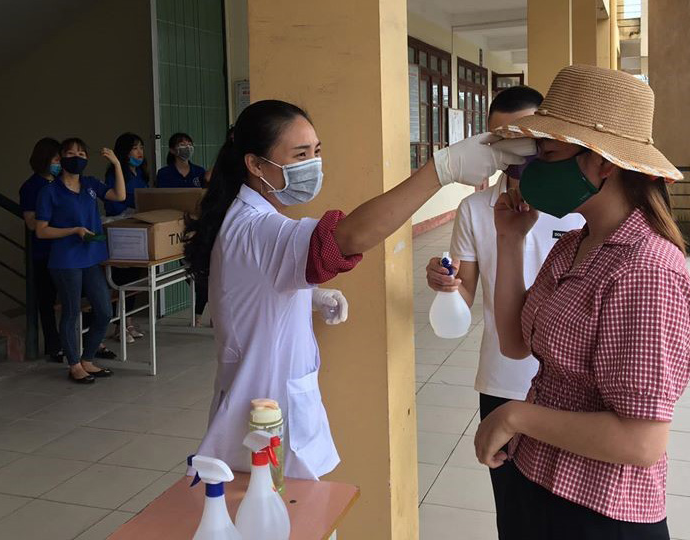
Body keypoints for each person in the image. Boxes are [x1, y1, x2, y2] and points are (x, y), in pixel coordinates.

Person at [184, 99, 534, 479]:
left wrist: (308, 296)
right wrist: (440, 170)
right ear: (255, 164)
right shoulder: (256, 228)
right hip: (264, 416)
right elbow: (347, 238)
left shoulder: (249, 217)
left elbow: (248, 291)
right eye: (300, 154)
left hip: (259, 406)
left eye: (317, 152)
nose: (313, 164)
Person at [473, 65, 690, 539]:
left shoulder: (645, 271)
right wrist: (509, 242)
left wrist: (515, 414)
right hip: (539, 479)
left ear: (604, 163)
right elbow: (516, 343)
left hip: (598, 510)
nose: (534, 168)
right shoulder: (575, 242)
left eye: (550, 153)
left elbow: (640, 441)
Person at [424, 85, 585, 538]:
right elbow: (466, 293)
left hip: (567, 385)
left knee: (568, 514)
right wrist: (446, 283)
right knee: (516, 515)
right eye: (502, 141)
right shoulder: (475, 209)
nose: (515, 154)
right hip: (503, 381)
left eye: (526, 139)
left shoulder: (580, 207)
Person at [35, 137, 126, 384]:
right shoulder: (50, 191)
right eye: (71, 153)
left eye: (82, 154)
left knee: (104, 311)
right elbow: (41, 230)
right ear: (61, 157)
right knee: (71, 312)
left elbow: (119, 195)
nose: (77, 158)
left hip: (91, 257)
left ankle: (87, 359)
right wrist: (73, 230)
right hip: (65, 260)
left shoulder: (90, 184)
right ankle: (74, 364)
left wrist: (116, 164)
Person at [156, 132, 211, 326]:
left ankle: (198, 314)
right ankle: (200, 310)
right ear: (172, 149)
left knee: (204, 271)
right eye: (181, 144)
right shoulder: (164, 174)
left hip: (197, 227)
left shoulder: (198, 172)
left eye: (189, 143)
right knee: (191, 272)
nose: (186, 147)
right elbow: (162, 200)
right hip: (173, 228)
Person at [19, 137, 63, 363]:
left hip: (64, 250)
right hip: (43, 252)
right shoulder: (31, 187)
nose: (59, 162)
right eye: (56, 158)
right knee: (46, 301)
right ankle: (53, 345)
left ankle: (68, 341)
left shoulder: (59, 182)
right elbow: (30, 222)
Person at [104, 132, 149, 343]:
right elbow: (114, 205)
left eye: (141, 147)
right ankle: (118, 324)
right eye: (134, 148)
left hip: (139, 230)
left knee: (134, 280)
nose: (139, 152)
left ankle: (128, 321)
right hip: (122, 231)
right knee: (120, 281)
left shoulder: (141, 174)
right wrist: (132, 203)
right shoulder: (115, 173)